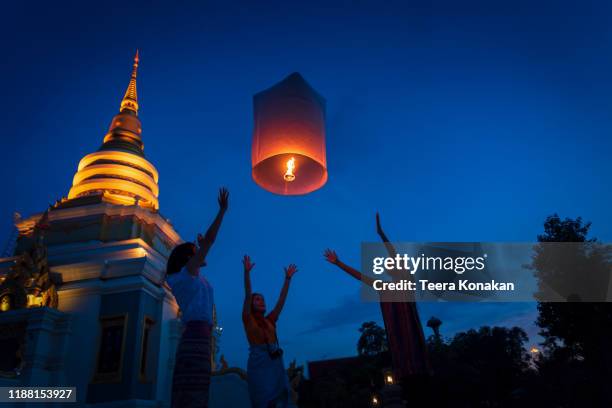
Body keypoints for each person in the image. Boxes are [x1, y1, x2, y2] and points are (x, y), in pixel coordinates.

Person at [323, 213, 432, 383]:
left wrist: (381, 234)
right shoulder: (385, 287)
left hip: (413, 339)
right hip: (400, 344)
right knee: (409, 382)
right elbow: (360, 276)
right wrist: (339, 263)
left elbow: (393, 253)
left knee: (420, 378)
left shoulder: (407, 280)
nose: (394, 263)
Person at [166, 188, 229, 408]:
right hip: (195, 335)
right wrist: (221, 212)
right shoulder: (185, 276)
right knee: (191, 393)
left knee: (198, 390)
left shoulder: (191, 277)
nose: (200, 251)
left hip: (201, 337)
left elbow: (206, 249)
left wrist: (201, 249)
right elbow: (210, 241)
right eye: (196, 250)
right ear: (188, 258)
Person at [242, 254, 298, 408]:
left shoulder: (270, 320)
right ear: (251, 304)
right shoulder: (248, 320)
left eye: (263, 299)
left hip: (275, 365)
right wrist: (246, 273)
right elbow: (248, 294)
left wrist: (287, 279)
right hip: (259, 365)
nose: (262, 301)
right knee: (263, 401)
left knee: (282, 398)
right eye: (258, 299)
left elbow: (281, 300)